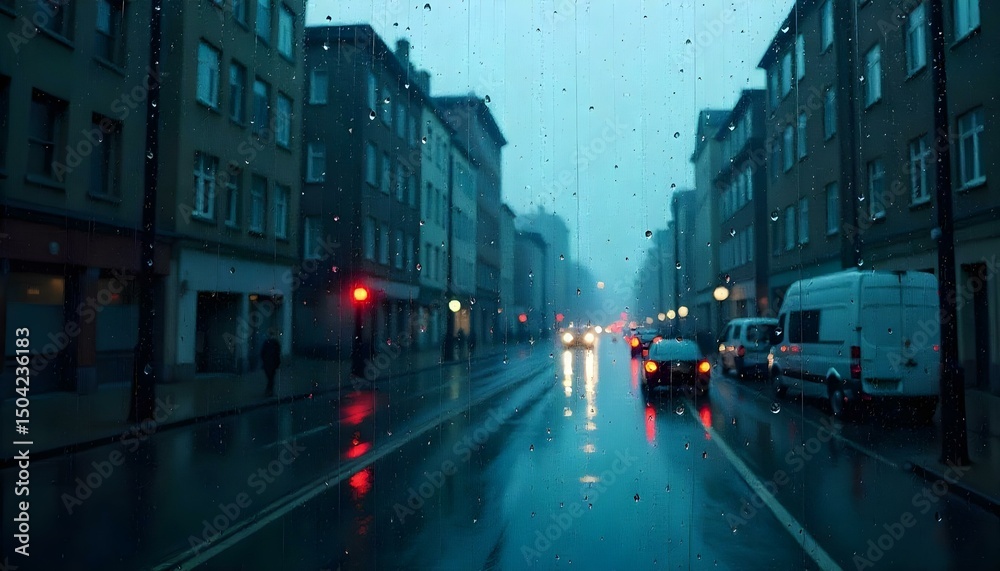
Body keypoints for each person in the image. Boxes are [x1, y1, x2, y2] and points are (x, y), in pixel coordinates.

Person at [261, 331, 282, 397]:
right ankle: (269, 391)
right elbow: (277, 353)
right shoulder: (274, 343)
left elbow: (262, 353)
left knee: (270, 378)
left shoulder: (269, 343)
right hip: (271, 363)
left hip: (269, 364)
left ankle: (269, 391)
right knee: (271, 378)